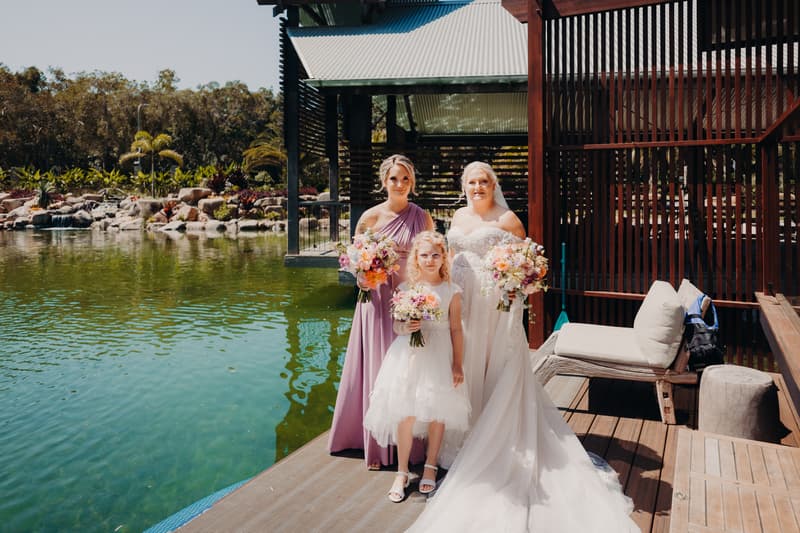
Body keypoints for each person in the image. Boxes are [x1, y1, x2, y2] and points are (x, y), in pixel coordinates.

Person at [408, 162, 638, 532]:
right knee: (464, 365)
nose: (477, 187)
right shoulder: (458, 214)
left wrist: (518, 284)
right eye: (471, 182)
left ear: (493, 185)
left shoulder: (508, 218)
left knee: (495, 367)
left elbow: (534, 266)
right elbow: (449, 259)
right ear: (464, 186)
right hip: (463, 303)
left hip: (496, 308)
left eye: (484, 181)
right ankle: (462, 436)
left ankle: (494, 438)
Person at [328, 154, 435, 470]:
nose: (399, 184)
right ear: (384, 182)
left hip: (407, 300)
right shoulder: (369, 218)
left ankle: (408, 444)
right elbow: (354, 261)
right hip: (375, 300)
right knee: (377, 367)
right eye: (394, 179)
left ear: (412, 183)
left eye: (405, 179)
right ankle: (375, 442)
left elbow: (429, 258)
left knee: (407, 370)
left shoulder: (422, 217)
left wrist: (422, 298)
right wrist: (360, 276)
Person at [363, 231, 470, 502]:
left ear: (443, 257)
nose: (430, 259)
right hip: (409, 356)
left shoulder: (451, 291)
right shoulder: (405, 290)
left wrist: (458, 364)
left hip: (439, 354)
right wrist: (406, 326)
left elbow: (456, 329)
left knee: (437, 411)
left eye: (436, 254)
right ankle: (401, 471)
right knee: (405, 413)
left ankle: (430, 466)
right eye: (424, 255)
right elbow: (397, 326)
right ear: (416, 258)